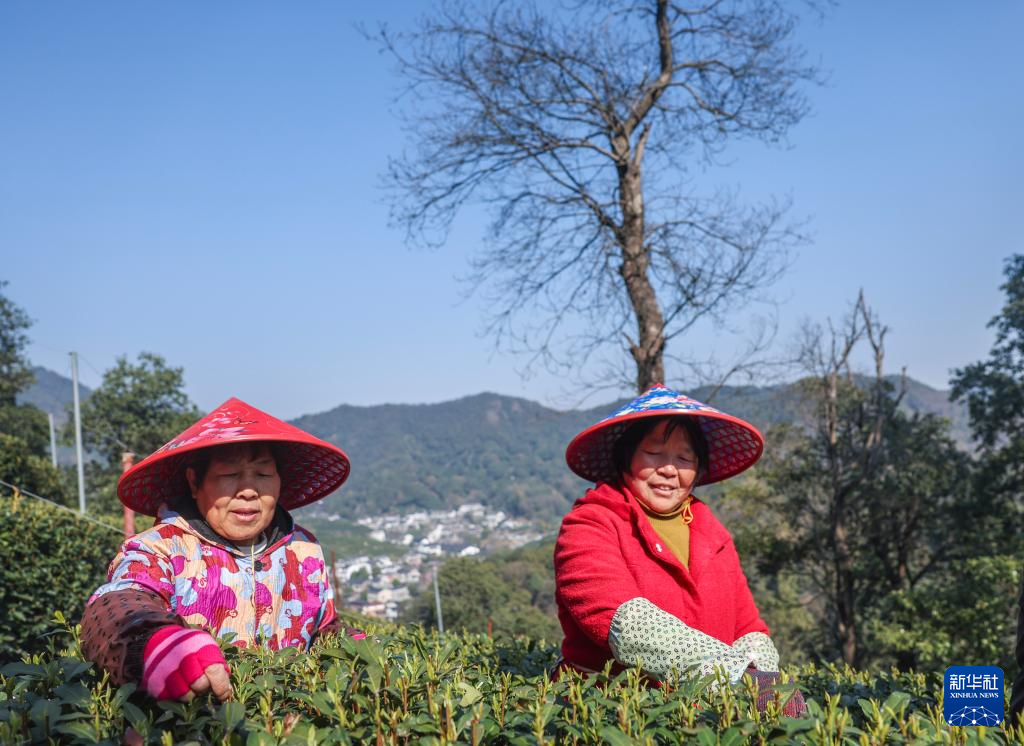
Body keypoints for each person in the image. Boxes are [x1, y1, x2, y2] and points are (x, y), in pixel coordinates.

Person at [81, 397, 363, 703]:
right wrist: (157, 642)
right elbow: (117, 607)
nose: (249, 491)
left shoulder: (304, 550)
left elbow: (321, 626)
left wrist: (356, 647)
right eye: (230, 475)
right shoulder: (159, 548)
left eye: (263, 475)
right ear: (194, 482)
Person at [555, 384, 804, 714]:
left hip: (707, 715)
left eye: (684, 458)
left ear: (698, 468)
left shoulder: (714, 535)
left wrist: (767, 684)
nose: (669, 469)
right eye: (654, 453)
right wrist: (734, 674)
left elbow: (748, 629)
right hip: (613, 712)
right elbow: (625, 625)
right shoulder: (590, 525)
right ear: (626, 456)